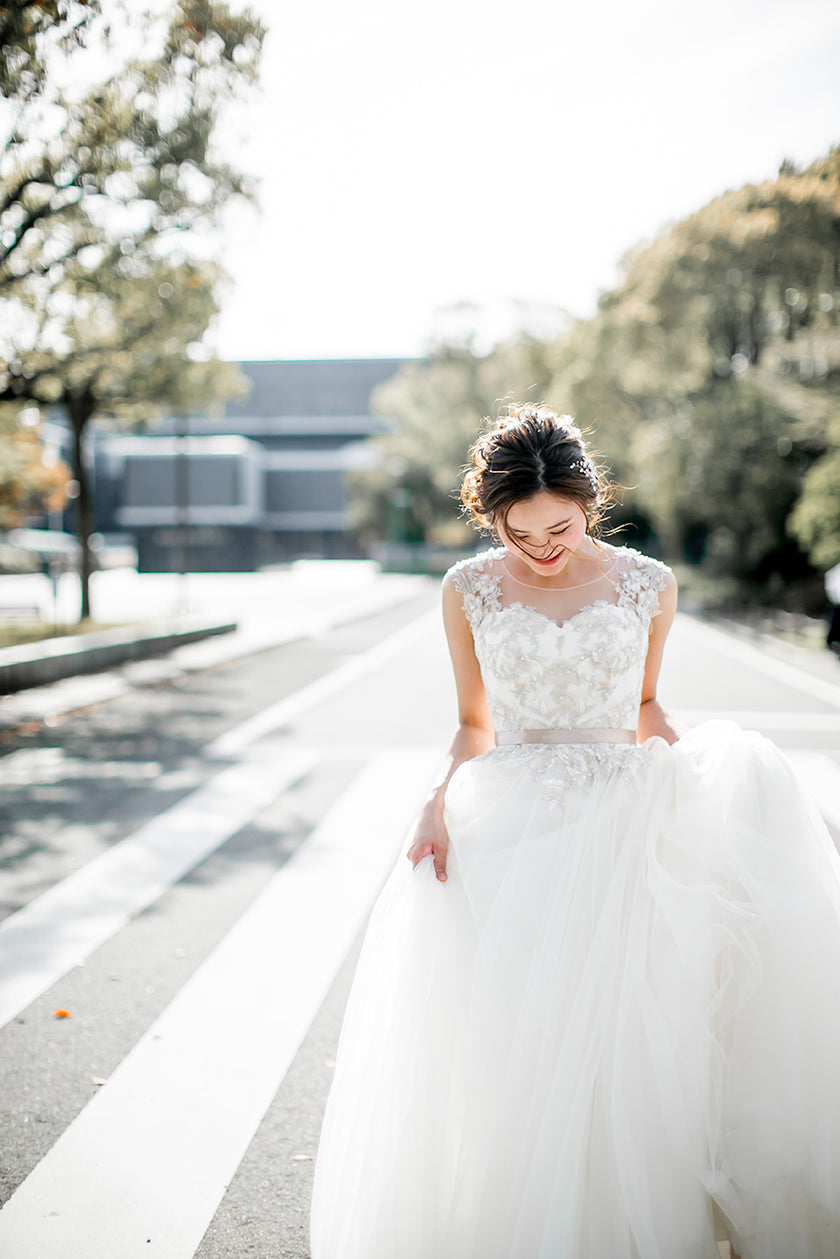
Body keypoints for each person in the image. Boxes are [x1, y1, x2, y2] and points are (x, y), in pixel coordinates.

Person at [309, 404, 840, 1259]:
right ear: (492, 518)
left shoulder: (647, 583)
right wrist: (435, 798)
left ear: (590, 501)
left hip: (626, 825)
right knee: (519, 1041)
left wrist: (705, 768)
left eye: (557, 527)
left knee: (627, 1038)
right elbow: (473, 724)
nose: (541, 548)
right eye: (519, 532)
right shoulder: (468, 589)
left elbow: (643, 706)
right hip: (509, 831)